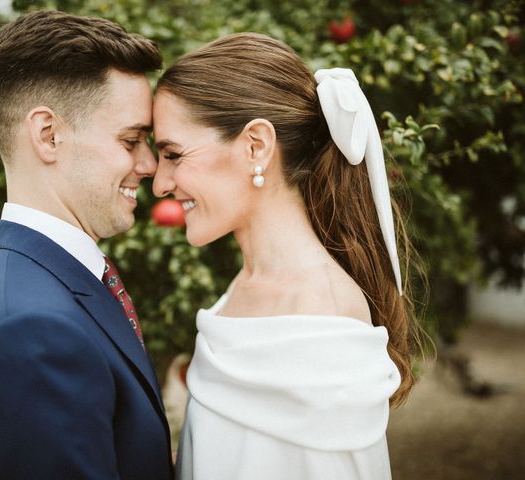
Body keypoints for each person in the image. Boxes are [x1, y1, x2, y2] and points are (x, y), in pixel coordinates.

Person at [152, 32, 422, 480]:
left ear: (256, 145)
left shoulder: (323, 316)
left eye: (174, 154)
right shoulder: (245, 287)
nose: (160, 183)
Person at [0, 10, 173, 480]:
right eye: (131, 140)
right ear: (48, 135)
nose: (149, 165)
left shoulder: (27, 287)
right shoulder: (28, 332)